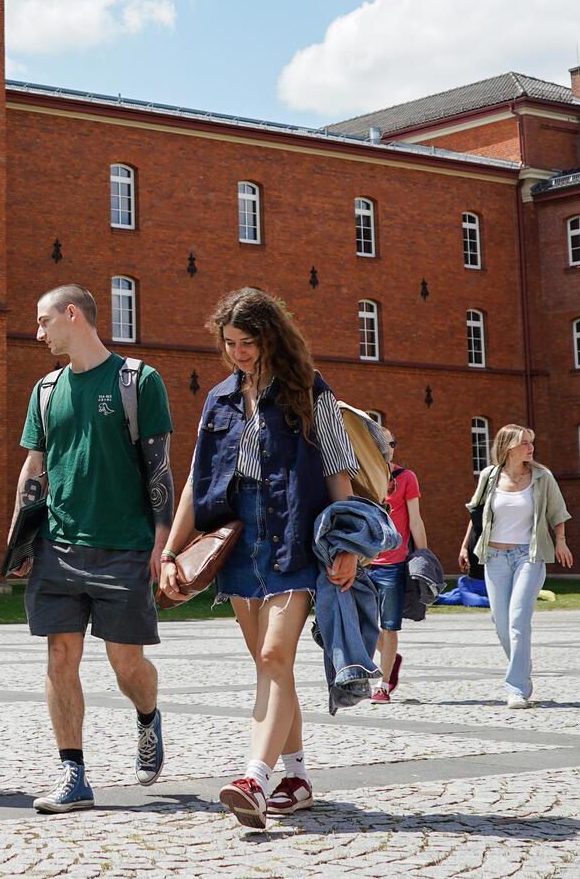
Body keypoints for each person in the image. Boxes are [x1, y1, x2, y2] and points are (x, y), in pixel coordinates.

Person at [160, 287, 360, 829]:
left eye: (248, 342)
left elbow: (339, 472)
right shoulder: (219, 400)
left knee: (275, 656)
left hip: (294, 532)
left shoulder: (309, 392)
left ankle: (255, 776)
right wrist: (172, 551)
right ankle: (294, 777)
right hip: (238, 539)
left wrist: (346, 545)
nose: (239, 352)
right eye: (230, 343)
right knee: (270, 664)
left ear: (271, 337)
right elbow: (195, 484)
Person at [9, 284, 176, 814]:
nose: (38, 333)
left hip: (124, 547)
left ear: (72, 315)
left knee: (127, 666)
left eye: (44, 321)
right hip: (58, 545)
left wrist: (161, 539)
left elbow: (160, 467)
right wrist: (19, 537)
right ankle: (73, 773)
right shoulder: (44, 390)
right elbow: (34, 467)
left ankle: (147, 717)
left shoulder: (138, 381)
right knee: (60, 656)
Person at [455, 425, 572, 708]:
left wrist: (561, 542)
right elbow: (478, 513)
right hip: (494, 557)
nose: (531, 448)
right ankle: (523, 669)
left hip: (529, 556)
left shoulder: (542, 477)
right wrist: (464, 546)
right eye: (524, 443)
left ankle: (516, 689)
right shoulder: (489, 476)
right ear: (508, 447)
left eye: (532, 442)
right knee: (501, 623)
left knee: (518, 621)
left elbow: (557, 512)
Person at [363, 452, 427, 701]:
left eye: (388, 444)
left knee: (388, 626)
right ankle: (392, 658)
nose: (383, 449)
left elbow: (415, 520)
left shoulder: (406, 478)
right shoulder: (361, 476)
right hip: (364, 562)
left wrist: (423, 558)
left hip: (393, 564)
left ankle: (384, 683)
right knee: (361, 622)